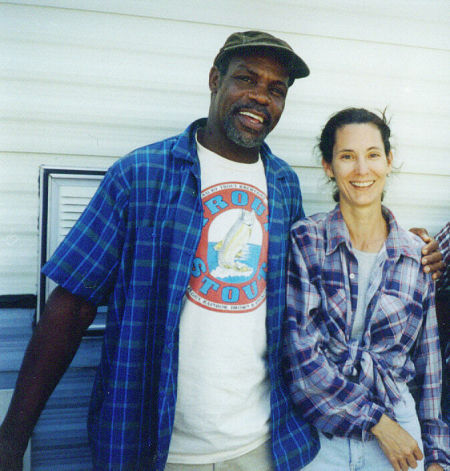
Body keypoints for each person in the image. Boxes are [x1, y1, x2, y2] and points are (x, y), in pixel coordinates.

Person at [0, 33, 443, 471]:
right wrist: (13, 437)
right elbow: (71, 305)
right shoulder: (141, 174)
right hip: (153, 446)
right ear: (215, 79)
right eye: (246, 79)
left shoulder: (283, 185)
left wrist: (409, 244)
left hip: (261, 444)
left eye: (276, 89)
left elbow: (330, 265)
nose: (260, 97)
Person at [284, 108, 449, 471]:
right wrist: (378, 424)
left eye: (373, 155)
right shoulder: (306, 242)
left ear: (389, 161)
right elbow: (300, 358)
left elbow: (429, 364)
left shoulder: (415, 255)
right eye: (347, 157)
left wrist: (437, 455)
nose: (362, 170)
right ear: (328, 166)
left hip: (400, 438)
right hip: (320, 433)